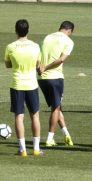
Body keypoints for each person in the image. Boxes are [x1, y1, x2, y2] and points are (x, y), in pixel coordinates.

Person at [5, 19, 43, 156]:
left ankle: (22, 150)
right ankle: (36, 148)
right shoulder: (35, 46)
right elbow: (38, 65)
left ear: (15, 31)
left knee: (19, 116)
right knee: (35, 115)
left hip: (17, 84)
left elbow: (8, 64)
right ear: (28, 31)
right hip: (32, 84)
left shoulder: (10, 47)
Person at [37, 21, 74, 147]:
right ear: (70, 31)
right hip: (55, 78)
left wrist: (40, 68)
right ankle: (49, 139)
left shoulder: (47, 37)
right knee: (55, 108)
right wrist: (46, 67)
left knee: (57, 107)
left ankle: (66, 134)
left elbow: (38, 55)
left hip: (41, 78)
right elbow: (61, 59)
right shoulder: (68, 41)